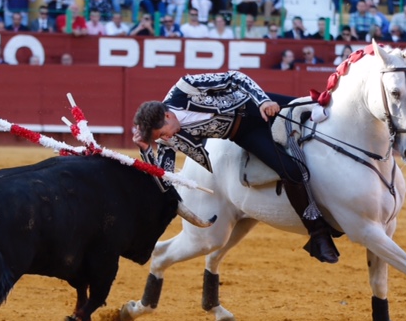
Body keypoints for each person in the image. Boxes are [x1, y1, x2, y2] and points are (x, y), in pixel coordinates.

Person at [132, 72, 341, 263]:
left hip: (255, 106)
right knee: (291, 171)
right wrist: (146, 152)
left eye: (162, 133)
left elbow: (235, 77)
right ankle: (318, 234)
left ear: (167, 116)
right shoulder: (168, 138)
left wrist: (263, 100)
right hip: (245, 134)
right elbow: (166, 179)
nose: (166, 138)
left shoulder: (186, 87)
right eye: (160, 138)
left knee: (320, 109)